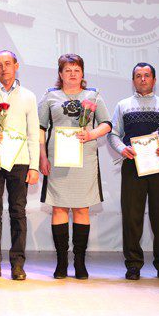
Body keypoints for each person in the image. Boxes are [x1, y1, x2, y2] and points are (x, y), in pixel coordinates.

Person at [38, 53, 111, 280]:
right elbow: (40, 128)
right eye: (67, 70)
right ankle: (61, 263)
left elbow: (107, 124)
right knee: (59, 208)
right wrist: (42, 157)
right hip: (57, 159)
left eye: (76, 70)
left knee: (81, 209)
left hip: (84, 160)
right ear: (60, 74)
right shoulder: (50, 96)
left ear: (82, 73)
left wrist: (91, 134)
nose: (72, 74)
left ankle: (80, 262)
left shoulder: (93, 95)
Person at [109, 63, 159, 281]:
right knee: (132, 217)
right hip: (133, 164)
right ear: (133, 80)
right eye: (138, 76)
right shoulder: (123, 105)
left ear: (154, 79)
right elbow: (113, 134)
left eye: (147, 75)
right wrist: (122, 149)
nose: (143, 79)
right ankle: (133, 265)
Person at [0, 50, 40, 281]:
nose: (4, 68)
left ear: (16, 66)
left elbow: (33, 134)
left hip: (19, 161)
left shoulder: (29, 97)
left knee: (17, 212)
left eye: (8, 63)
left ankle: (17, 264)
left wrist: (34, 166)